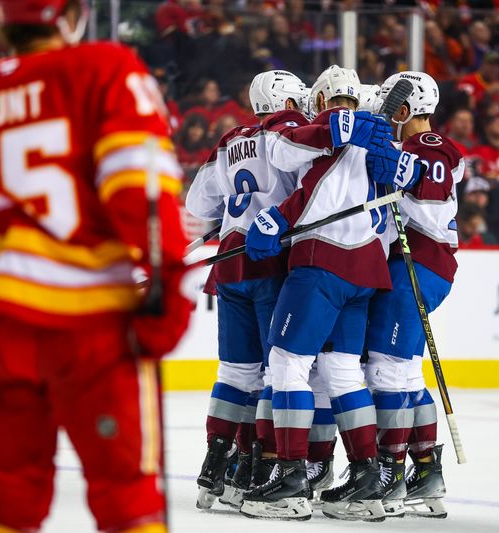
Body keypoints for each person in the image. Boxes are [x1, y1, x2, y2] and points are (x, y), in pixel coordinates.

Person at [0, 1, 193, 531]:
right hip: (91, 332)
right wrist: (167, 282)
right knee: (126, 494)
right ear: (70, 14)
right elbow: (139, 187)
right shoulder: (104, 67)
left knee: (9, 500)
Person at [240, 65, 406, 522]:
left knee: (286, 364)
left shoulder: (328, 137)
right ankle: (367, 478)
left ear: (318, 103)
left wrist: (274, 222)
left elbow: (290, 159)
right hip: (365, 269)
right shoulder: (382, 143)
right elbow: (396, 197)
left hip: (322, 264)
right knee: (341, 371)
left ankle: (291, 478)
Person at [186, 69, 310, 510]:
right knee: (278, 371)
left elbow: (198, 204)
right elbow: (311, 191)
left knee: (237, 373)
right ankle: (260, 466)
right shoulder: (290, 132)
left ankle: (215, 465)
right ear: (290, 102)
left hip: (231, 263)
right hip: (271, 262)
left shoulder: (230, 139)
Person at [361, 71, 464, 519]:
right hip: (418, 266)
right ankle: (426, 470)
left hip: (417, 264)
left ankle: (390, 472)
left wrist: (398, 184)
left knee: (387, 370)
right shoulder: (423, 149)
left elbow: (434, 203)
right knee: (404, 372)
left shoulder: (429, 147)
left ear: (404, 112)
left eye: (390, 111)